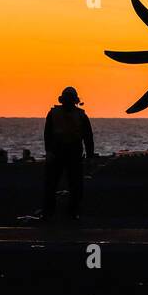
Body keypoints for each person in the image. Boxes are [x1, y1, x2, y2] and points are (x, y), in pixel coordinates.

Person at [41, 86, 95, 220]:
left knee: (60, 184)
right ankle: (67, 212)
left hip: (67, 152)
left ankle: (55, 212)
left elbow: (47, 134)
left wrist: (48, 151)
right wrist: (90, 156)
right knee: (69, 184)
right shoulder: (80, 116)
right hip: (65, 152)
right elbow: (88, 138)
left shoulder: (55, 114)